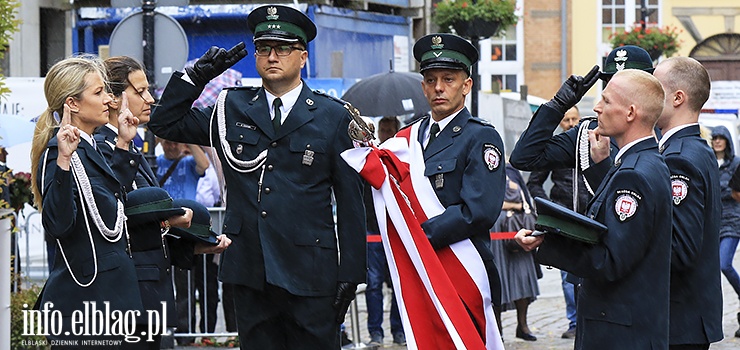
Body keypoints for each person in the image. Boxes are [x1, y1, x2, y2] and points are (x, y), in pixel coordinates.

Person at [147, 4, 366, 349]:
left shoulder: (332, 116)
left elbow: (353, 203)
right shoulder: (230, 107)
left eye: (282, 48)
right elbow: (164, 124)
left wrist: (351, 274)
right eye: (264, 48)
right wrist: (196, 76)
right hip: (250, 271)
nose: (272, 56)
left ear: (303, 57)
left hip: (310, 273)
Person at [516, 69, 672, 349]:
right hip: (623, 325)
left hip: (619, 332)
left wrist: (547, 245)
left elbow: (610, 260)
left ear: (630, 113)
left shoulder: (634, 173)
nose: (597, 108)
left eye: (607, 101)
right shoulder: (641, 162)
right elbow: (524, 156)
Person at [29, 55, 143, 345]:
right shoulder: (59, 153)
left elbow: (110, 203)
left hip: (110, 298)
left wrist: (124, 145)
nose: (109, 100)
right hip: (85, 305)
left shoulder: (92, 147)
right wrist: (65, 161)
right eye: (98, 92)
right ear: (73, 104)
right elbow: (58, 224)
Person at [653, 56, 723, 349]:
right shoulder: (695, 149)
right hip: (687, 317)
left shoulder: (678, 157)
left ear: (678, 98)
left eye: (656, 89)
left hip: (679, 319)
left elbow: (679, 249)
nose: (649, 96)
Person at [525, 107, 590, 340]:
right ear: (560, 123)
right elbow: (534, 183)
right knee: (566, 276)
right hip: (563, 219)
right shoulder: (555, 149)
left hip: (591, 217)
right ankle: (574, 321)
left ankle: (586, 319)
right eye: (566, 120)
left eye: (574, 119)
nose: (571, 123)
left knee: (590, 271)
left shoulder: (592, 144)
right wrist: (550, 208)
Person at [364, 116, 405, 347]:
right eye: (383, 129)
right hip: (372, 233)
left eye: (390, 130)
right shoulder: (369, 158)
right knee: (373, 285)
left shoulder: (401, 159)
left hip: (396, 233)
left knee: (398, 285)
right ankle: (375, 333)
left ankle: (399, 330)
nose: (386, 133)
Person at [491, 164, 540, 342]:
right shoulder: (479, 170)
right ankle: (497, 330)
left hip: (518, 227)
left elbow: (525, 199)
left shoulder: (511, 171)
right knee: (498, 280)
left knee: (522, 278)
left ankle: (523, 326)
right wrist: (514, 204)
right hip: (494, 232)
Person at [712, 125, 740, 339]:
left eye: (721, 138)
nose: (718, 141)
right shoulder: (709, 161)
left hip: (733, 221)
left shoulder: (736, 163)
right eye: (715, 138)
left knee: (724, 263)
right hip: (713, 222)